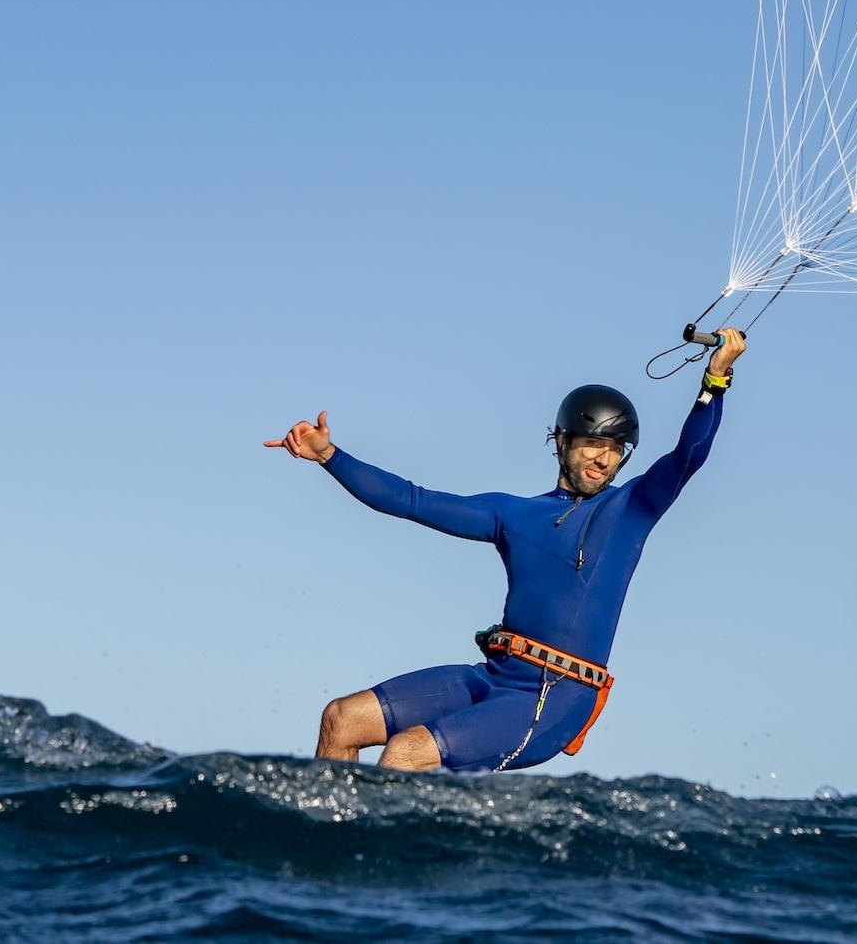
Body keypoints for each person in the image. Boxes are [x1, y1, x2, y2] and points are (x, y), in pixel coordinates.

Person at [263, 329, 746, 772]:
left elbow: (688, 456)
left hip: (555, 696)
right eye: (593, 443)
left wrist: (715, 378)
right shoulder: (512, 515)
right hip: (496, 675)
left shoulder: (631, 508)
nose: (604, 458)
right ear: (562, 442)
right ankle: (324, 851)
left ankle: (385, 863)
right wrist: (329, 455)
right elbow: (411, 500)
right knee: (342, 718)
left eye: (616, 448)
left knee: (406, 752)